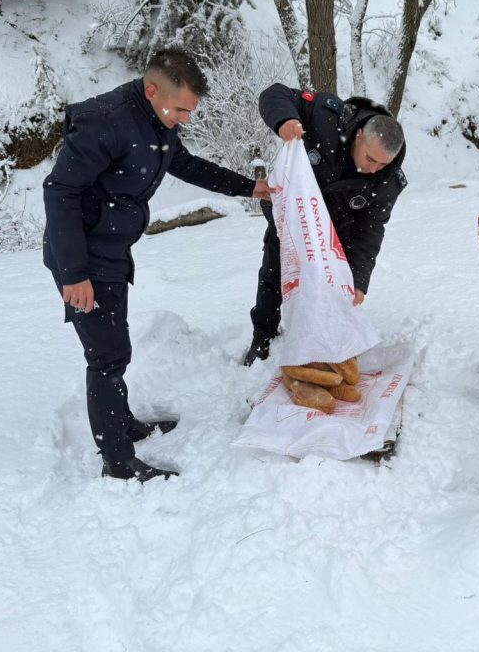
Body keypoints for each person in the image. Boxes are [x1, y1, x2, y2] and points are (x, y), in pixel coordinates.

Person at [43, 49, 270, 482]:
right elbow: (60, 192)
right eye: (181, 108)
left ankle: (121, 423)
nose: (184, 118)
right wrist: (74, 274)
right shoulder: (105, 122)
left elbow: (184, 164)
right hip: (83, 257)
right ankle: (119, 461)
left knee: (115, 347)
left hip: (112, 250)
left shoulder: (156, 122)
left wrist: (249, 188)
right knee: (106, 357)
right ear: (152, 91)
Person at [243, 83, 407, 366]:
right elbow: (273, 93)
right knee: (275, 272)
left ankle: (325, 342)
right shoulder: (326, 115)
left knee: (331, 286)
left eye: (383, 164)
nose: (373, 169)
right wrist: (285, 121)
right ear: (358, 136)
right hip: (291, 215)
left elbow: (370, 230)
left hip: (335, 232)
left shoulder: (387, 181)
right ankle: (263, 335)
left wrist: (359, 280)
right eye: (370, 158)